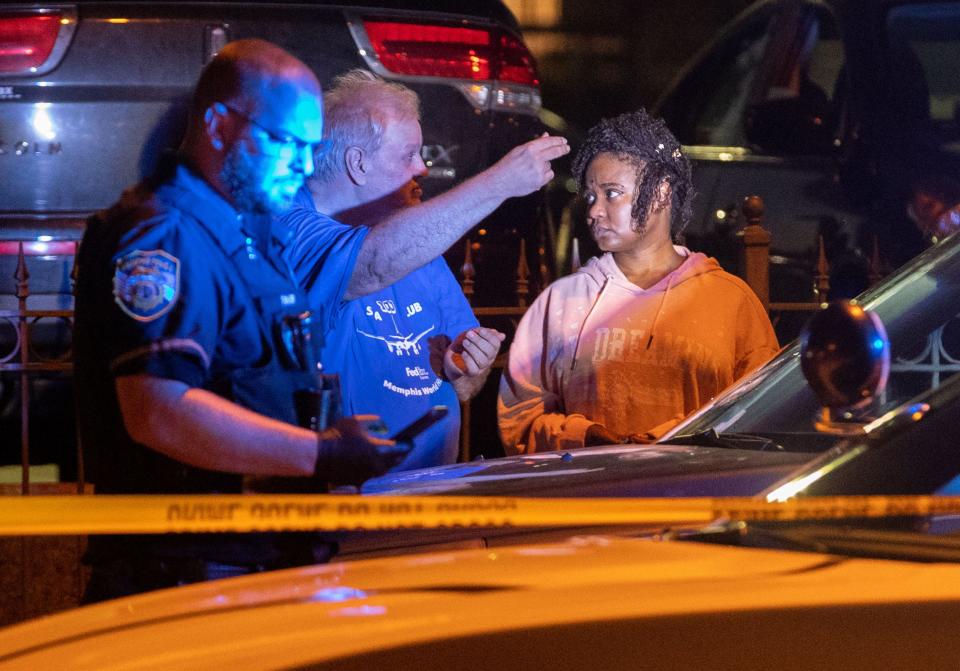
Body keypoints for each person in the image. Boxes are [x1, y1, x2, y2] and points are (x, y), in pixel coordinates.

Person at [74, 40, 406, 602]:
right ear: (219, 125)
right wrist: (321, 452)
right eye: (286, 144)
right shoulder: (165, 234)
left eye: (312, 148)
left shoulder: (247, 231)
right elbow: (156, 411)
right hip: (188, 574)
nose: (303, 167)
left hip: (252, 561)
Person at [278, 73, 568, 462]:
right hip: (350, 502)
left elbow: (466, 385)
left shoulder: (413, 238)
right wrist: (500, 183)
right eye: (409, 155)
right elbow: (371, 265)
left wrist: (467, 365)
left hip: (431, 497)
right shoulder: (290, 227)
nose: (422, 168)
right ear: (357, 163)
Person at [498, 109, 779, 454]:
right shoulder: (562, 302)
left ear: (661, 193)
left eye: (611, 193)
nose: (593, 211)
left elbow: (762, 413)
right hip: (587, 500)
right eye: (590, 196)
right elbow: (519, 420)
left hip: (693, 498)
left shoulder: (730, 301)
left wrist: (671, 441)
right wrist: (583, 437)